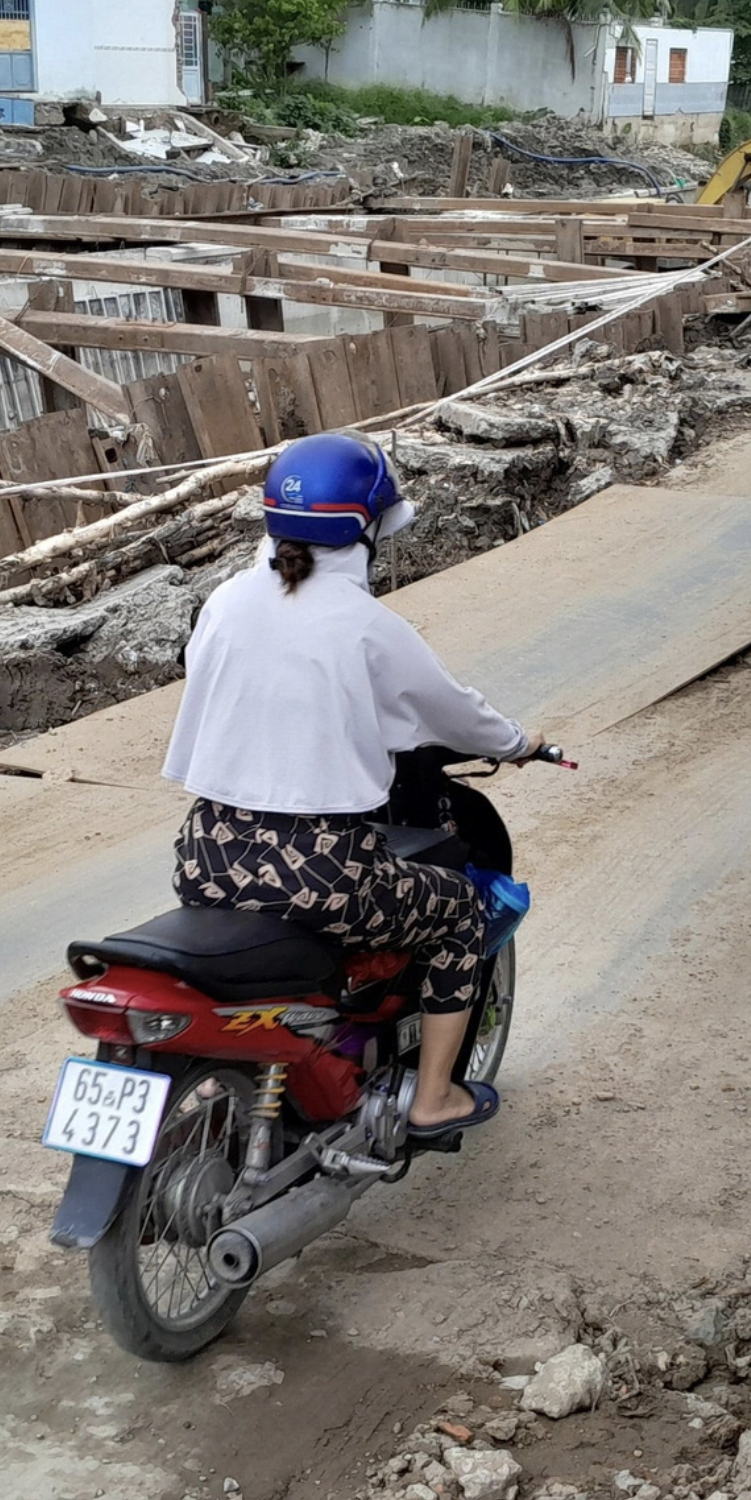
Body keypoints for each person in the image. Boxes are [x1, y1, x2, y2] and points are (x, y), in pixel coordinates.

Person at [161, 431, 539, 1134]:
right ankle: (433, 1100)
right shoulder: (366, 624)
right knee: (459, 913)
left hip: (205, 857)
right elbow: (454, 711)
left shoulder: (226, 603)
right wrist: (520, 743)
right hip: (319, 871)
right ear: (364, 528)